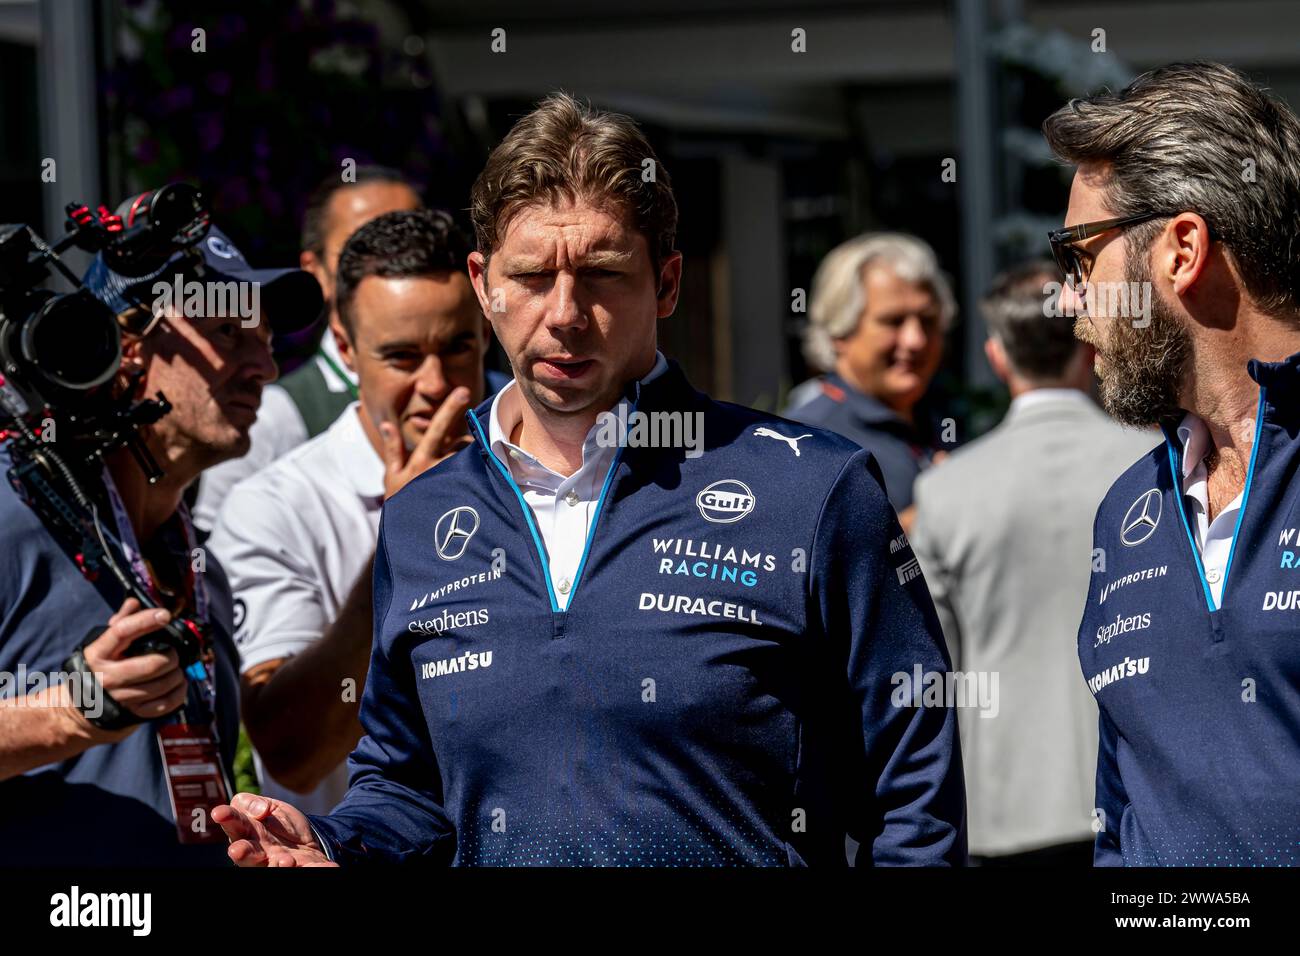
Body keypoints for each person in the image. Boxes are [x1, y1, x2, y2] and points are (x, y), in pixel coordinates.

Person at [214, 92, 966, 867]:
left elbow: (913, 789)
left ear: (666, 282)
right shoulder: (420, 517)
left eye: (603, 274)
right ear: (483, 285)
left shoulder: (812, 490)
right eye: (533, 276)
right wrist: (334, 843)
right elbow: (407, 784)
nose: (565, 313)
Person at [1043, 61, 1300, 866]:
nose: (1065, 299)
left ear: (1182, 248)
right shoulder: (1128, 510)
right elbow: (1121, 812)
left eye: (1081, 255)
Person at [0, 220, 321, 864]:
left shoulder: (201, 566)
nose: (264, 365)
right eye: (228, 332)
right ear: (127, 347)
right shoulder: (11, 520)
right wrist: (69, 711)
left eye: (263, 339)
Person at [207, 210, 493, 815]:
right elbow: (292, 754)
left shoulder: (548, 472)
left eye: (458, 347)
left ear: (489, 327)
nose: (437, 384)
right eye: (401, 357)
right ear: (344, 346)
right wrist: (402, 542)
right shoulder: (276, 507)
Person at [909, 261, 1157, 865]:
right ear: (1088, 343)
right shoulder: (1156, 464)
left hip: (1003, 803)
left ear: (997, 358)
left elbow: (935, 672)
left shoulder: (946, 491)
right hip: (1137, 793)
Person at [192, 166, 423, 531]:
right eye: (364, 249)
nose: (397, 266)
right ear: (315, 271)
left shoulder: (495, 395)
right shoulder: (272, 416)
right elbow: (219, 555)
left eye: (415, 244)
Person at [783, 233, 955, 530]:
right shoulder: (809, 439)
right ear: (840, 333)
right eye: (893, 321)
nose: (916, 340)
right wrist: (927, 517)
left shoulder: (938, 418)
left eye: (928, 320)